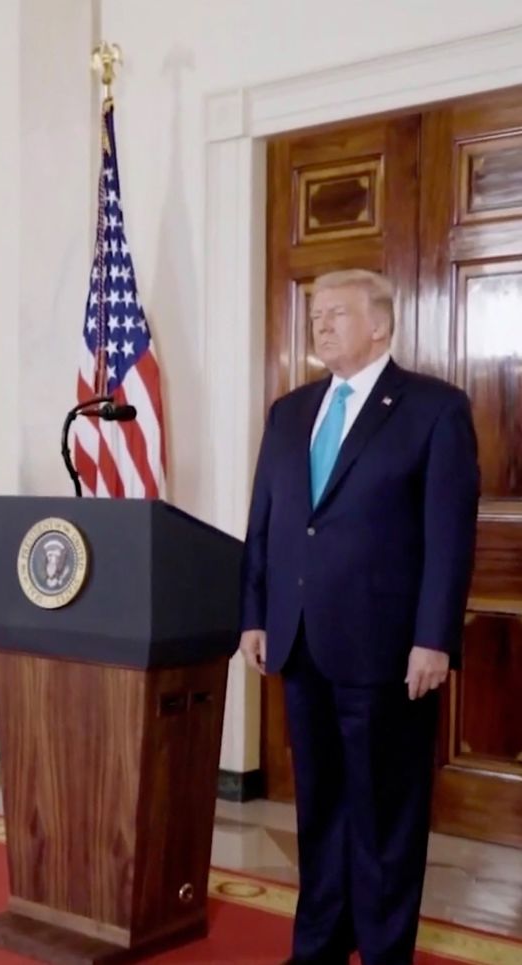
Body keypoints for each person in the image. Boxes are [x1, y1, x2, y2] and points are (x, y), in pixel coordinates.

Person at [239, 269, 479, 965]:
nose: (320, 323)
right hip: (301, 640)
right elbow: (267, 526)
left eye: (337, 313)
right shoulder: (290, 412)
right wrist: (254, 612)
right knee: (319, 812)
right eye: (316, 313)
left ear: (380, 324)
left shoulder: (434, 410)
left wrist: (433, 637)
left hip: (387, 650)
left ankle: (382, 952)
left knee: (385, 819)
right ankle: (315, 947)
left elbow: (448, 535)